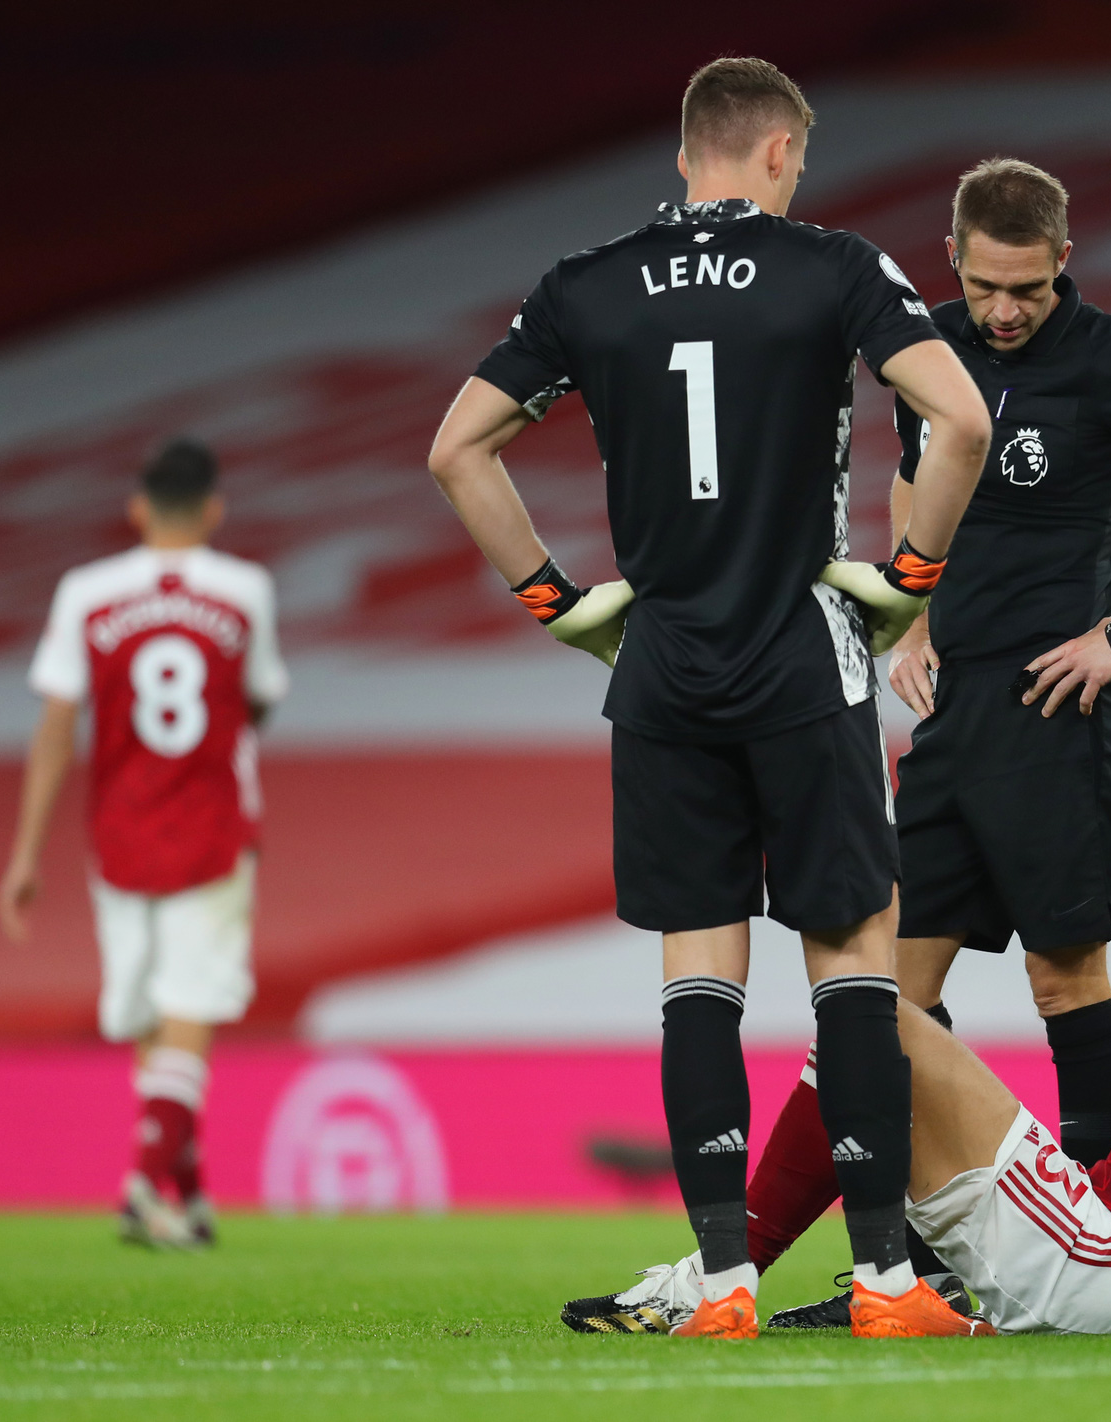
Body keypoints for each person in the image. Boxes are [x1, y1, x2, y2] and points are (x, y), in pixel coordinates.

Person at [426, 57, 992, 1340]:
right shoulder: (835, 269)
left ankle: (724, 1280)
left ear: (689, 154)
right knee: (852, 956)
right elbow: (954, 421)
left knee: (698, 975)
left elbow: (456, 448)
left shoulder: (583, 284)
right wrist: (907, 581)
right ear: (782, 152)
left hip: (665, 663)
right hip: (803, 648)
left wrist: (556, 602)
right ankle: (890, 1284)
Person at [684, 156, 1111, 1328]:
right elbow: (921, 479)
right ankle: (902, 1271)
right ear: (950, 261)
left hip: (1063, 716)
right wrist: (904, 614)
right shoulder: (926, 351)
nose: (1005, 310)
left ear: (1063, 261)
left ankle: (1104, 1241)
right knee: (883, 995)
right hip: (955, 719)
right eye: (985, 284)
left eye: (1026, 287)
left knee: (1066, 976)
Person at [569, 747, 1111, 1336]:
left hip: (1108, 1260)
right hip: (1104, 1241)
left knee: (869, 1020)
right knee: (868, 1027)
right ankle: (873, 1280)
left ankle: (735, 1276)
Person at [0, 436, 288, 1249]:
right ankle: (145, 1184)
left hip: (117, 832)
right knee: (188, 1011)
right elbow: (259, 700)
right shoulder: (244, 590)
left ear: (136, 508)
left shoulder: (86, 593)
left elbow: (57, 726)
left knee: (149, 1022)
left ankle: (181, 1203)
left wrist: (25, 854)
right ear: (214, 510)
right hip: (212, 825)